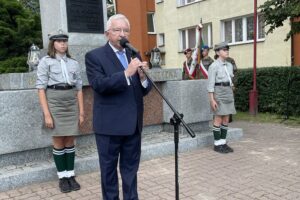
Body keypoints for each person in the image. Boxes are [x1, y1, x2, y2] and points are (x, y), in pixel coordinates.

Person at [85, 14, 152, 200]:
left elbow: (143, 91)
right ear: (107, 33)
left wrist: (143, 78)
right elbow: (99, 85)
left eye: (125, 30)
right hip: (109, 126)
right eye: (117, 30)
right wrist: (126, 73)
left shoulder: (134, 54)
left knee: (131, 172)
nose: (122, 34)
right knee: (108, 173)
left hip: (133, 126)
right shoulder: (94, 56)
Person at [36, 29, 85, 193]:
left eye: (64, 41)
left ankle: (71, 175)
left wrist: (81, 112)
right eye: (59, 41)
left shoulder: (74, 63)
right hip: (54, 101)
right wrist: (47, 114)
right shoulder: (45, 61)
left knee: (70, 140)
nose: (62, 44)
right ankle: (62, 177)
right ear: (53, 43)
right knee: (58, 141)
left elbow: (79, 89)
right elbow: (41, 89)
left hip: (71, 102)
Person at [207, 42, 236, 154]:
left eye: (227, 49)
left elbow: (230, 79)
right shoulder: (213, 66)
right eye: (224, 50)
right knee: (218, 118)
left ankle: (223, 142)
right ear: (218, 52)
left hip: (228, 91)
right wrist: (212, 99)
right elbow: (210, 85)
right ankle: (217, 144)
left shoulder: (229, 65)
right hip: (218, 92)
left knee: (226, 118)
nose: (227, 51)